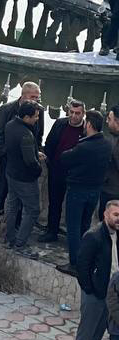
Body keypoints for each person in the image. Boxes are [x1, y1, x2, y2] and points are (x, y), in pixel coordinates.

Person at [60, 109, 112, 274]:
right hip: (94, 191)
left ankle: (75, 264)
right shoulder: (107, 144)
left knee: (73, 227)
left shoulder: (84, 146)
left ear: (88, 124)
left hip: (78, 190)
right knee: (85, 225)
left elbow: (64, 158)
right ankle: (85, 258)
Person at [0, 80, 43, 220]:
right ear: (23, 95)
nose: (37, 100)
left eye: (38, 97)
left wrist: (35, 152)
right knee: (2, 187)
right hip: (8, 157)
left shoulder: (39, 111)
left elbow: (38, 135)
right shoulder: (6, 109)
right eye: (33, 97)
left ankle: (16, 222)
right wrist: (7, 152)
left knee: (21, 193)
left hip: (26, 158)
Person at [40, 98, 86, 243]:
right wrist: (51, 163)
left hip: (75, 176)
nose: (73, 116)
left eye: (77, 113)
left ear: (83, 114)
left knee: (74, 208)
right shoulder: (60, 123)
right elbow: (49, 143)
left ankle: (74, 238)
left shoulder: (86, 130)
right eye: (71, 112)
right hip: (57, 172)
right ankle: (51, 231)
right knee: (54, 203)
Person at [77, 199, 119, 340]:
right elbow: (82, 266)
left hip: (110, 294)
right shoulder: (94, 236)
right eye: (115, 214)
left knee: (97, 335)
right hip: (95, 294)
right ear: (105, 215)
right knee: (86, 335)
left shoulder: (116, 235)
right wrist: (90, 290)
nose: (118, 218)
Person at [3, 100, 45, 254]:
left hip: (11, 173)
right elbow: (30, 162)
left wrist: (34, 152)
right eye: (35, 117)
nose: (36, 119)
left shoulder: (10, 126)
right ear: (26, 117)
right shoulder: (26, 134)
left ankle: (9, 239)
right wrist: (38, 169)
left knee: (12, 206)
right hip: (25, 179)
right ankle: (20, 245)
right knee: (33, 210)